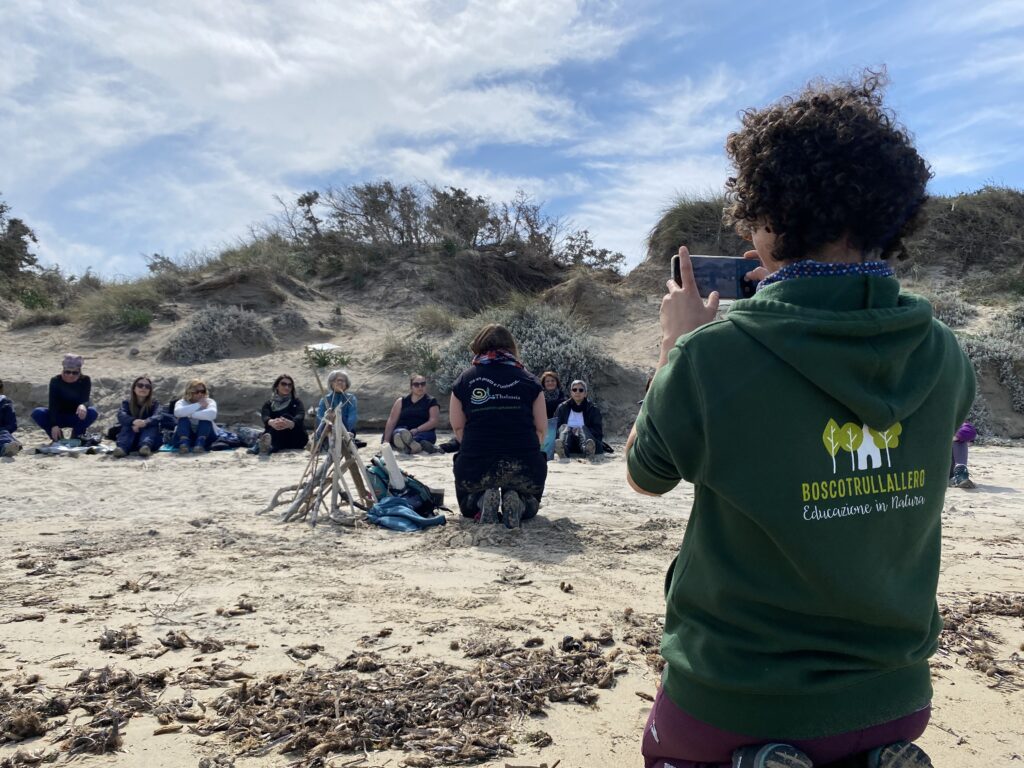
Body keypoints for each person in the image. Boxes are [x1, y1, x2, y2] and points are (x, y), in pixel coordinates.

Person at [626, 72, 974, 768]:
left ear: (769, 212)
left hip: (737, 693)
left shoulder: (711, 358)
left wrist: (675, 345)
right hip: (895, 691)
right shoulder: (944, 353)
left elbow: (645, 474)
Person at [448, 324, 548, 527]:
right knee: (531, 503)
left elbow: (458, 428)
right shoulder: (530, 381)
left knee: (468, 507)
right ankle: (520, 502)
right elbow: (541, 429)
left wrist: (477, 447)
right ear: (511, 346)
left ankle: (481, 500)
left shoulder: (465, 380)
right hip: (523, 463)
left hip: (477, 462)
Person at [31, 354, 99, 442]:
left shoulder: (85, 380)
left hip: (76, 416)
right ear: (63, 370)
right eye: (67, 372)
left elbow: (85, 399)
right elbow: (53, 404)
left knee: (92, 411)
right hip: (59, 416)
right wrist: (54, 425)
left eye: (74, 373)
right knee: (38, 412)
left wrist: (83, 405)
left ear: (79, 372)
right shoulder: (55, 380)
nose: (70, 375)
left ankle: (77, 436)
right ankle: (58, 438)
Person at [383, 375, 440, 454]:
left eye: (423, 384)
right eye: (416, 384)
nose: (420, 387)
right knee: (398, 433)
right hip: (403, 429)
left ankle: (409, 444)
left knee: (423, 437)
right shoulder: (401, 401)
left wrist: (417, 430)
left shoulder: (431, 401)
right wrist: (386, 440)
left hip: (423, 431)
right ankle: (412, 444)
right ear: (411, 387)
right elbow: (392, 421)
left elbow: (434, 421)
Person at [255, 374, 308, 455]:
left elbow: (300, 415)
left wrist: (291, 423)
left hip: (295, 438)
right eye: (283, 384)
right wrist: (272, 422)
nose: (287, 387)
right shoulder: (269, 404)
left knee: (286, 417)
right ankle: (269, 446)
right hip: (278, 437)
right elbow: (265, 416)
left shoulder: (296, 402)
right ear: (277, 386)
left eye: (289, 385)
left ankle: (265, 446)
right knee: (275, 424)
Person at [112, 376, 164, 458]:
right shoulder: (127, 403)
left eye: (147, 386)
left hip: (150, 441)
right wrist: (133, 421)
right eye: (140, 385)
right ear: (134, 388)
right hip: (130, 439)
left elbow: (158, 416)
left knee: (151, 426)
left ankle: (145, 447)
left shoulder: (154, 403)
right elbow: (121, 415)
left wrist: (145, 422)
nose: (143, 388)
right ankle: (122, 449)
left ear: (150, 390)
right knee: (127, 425)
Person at [553, 380, 604, 459]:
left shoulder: (593, 409)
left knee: (583, 428)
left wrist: (579, 430)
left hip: (586, 440)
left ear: (585, 393)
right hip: (568, 441)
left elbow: (598, 431)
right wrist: (570, 430)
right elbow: (556, 427)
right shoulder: (562, 407)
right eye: (574, 390)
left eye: (581, 390)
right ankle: (563, 450)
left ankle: (588, 451)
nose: (577, 392)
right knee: (564, 427)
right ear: (571, 392)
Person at [314, 370, 358, 449]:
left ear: (346, 384)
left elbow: (352, 417)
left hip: (346, 430)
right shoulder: (325, 399)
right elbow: (319, 416)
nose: (340, 382)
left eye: (342, 381)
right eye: (336, 380)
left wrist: (345, 431)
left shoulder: (351, 398)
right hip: (327, 430)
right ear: (331, 383)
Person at [173, 379, 217, 454]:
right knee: (183, 419)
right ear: (189, 392)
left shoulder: (209, 401)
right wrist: (198, 404)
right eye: (197, 392)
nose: (200, 394)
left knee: (205, 419)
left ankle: (199, 444)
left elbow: (212, 414)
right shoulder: (181, 402)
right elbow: (177, 412)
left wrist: (190, 415)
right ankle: (184, 444)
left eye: (202, 391)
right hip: (187, 434)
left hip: (206, 436)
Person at [540, 371, 566, 459]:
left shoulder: (562, 397)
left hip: (557, 427)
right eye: (547, 381)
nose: (550, 383)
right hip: (543, 427)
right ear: (543, 384)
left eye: (552, 380)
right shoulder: (539, 397)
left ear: (556, 382)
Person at [949, 421, 977, 489]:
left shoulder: (955, 422)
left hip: (949, 467)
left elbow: (969, 430)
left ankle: (960, 475)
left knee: (960, 440)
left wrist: (956, 437)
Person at [0, 378, 23, 457]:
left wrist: (3, 429)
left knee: (4, 434)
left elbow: (12, 425)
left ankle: (6, 449)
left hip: (1, 432)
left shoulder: (6, 404)